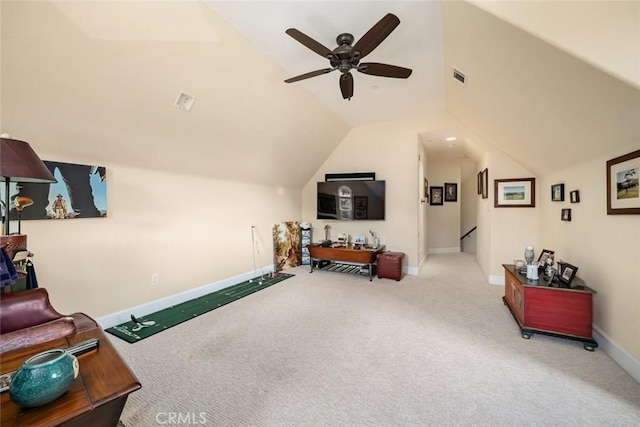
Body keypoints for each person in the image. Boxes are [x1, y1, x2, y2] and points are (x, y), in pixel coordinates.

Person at [10, 162, 104, 219]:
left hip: (74, 149)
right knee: (30, 207)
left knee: (85, 207)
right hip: (39, 148)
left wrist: (102, 165)